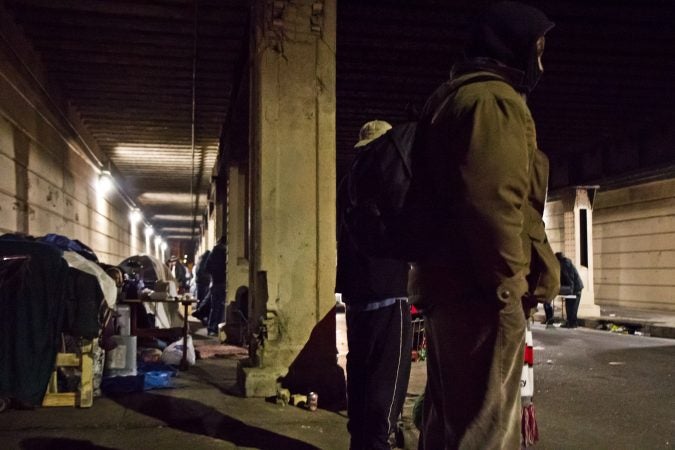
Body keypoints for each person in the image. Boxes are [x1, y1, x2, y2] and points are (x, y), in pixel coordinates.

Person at [406, 2, 555, 448]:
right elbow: (494, 205)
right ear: (513, 47)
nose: (542, 61)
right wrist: (510, 283)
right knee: (487, 431)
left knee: (449, 423)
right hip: (482, 294)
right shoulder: (494, 101)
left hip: (451, 287)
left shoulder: (453, 97)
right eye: (539, 48)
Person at [335, 119, 412, 450]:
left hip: (357, 296)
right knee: (387, 385)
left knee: (362, 377)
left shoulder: (348, 181)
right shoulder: (387, 173)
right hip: (389, 293)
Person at [205, 237, 226, 336]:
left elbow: (206, 268)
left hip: (214, 283)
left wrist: (213, 276)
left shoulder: (212, 253)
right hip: (222, 282)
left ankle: (211, 328)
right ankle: (217, 328)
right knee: (221, 307)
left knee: (214, 307)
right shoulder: (225, 253)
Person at [556, 251, 584, 328]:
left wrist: (570, 291)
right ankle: (571, 322)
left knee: (573, 306)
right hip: (573, 287)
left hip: (576, 288)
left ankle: (573, 323)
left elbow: (570, 279)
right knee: (569, 306)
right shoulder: (563, 265)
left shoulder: (565, 265)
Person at [191, 249, 212, 324]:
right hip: (203, 282)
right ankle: (201, 315)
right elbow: (206, 271)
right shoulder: (205, 261)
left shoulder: (200, 260)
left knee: (200, 298)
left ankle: (199, 313)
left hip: (199, 282)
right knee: (203, 299)